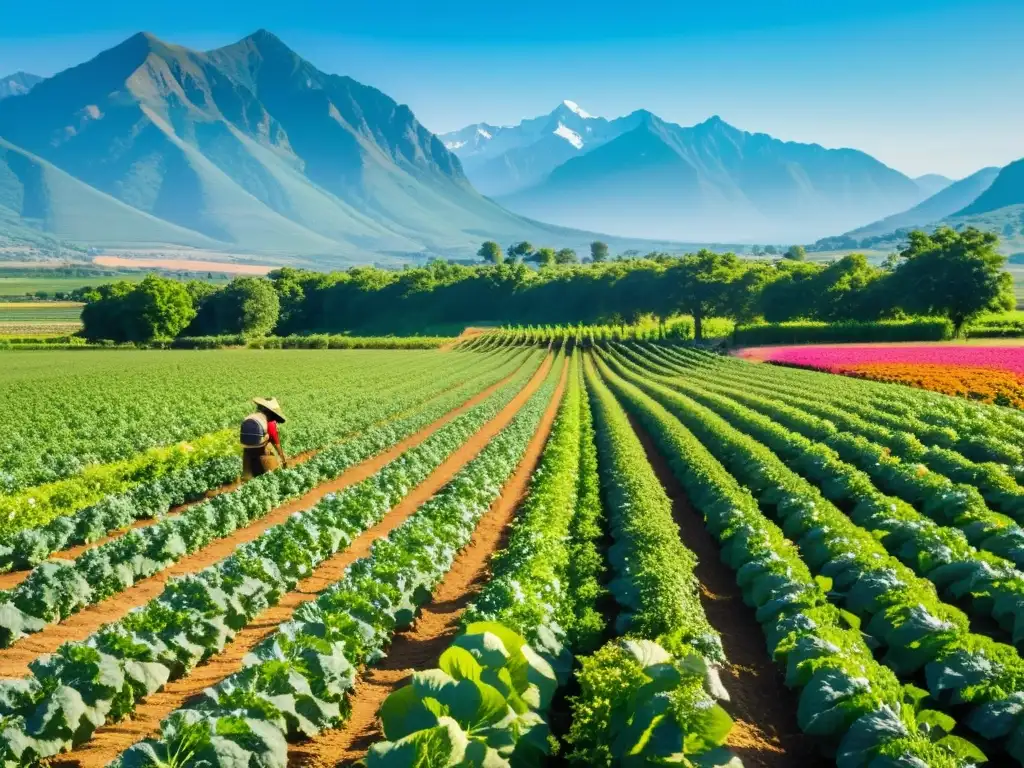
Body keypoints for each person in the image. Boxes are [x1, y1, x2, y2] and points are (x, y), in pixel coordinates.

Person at [240, 397, 289, 479]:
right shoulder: (270, 423)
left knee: (247, 478)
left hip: (247, 451)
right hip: (261, 452)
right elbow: (276, 442)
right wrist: (283, 460)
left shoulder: (252, 417)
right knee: (272, 476)